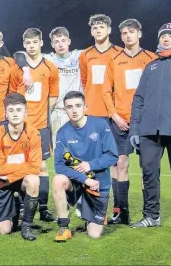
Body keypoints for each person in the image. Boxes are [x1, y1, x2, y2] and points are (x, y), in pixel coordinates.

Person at [129, 23, 171, 230]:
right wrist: (135, 129)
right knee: (149, 173)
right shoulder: (151, 66)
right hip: (149, 131)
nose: (165, 39)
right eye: (162, 35)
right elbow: (138, 99)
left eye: (170, 36)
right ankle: (151, 216)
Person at [101, 19, 157, 224]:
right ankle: (121, 212)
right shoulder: (114, 59)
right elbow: (106, 91)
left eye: (131, 32)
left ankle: (149, 213)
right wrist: (114, 115)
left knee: (147, 167)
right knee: (120, 163)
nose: (127, 36)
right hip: (121, 121)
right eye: (124, 33)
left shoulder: (152, 59)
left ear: (139, 33)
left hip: (145, 122)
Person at [52, 91, 118, 241]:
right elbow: (59, 166)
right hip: (78, 182)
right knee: (58, 180)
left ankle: (87, 213)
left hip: (97, 184)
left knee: (94, 234)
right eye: (69, 107)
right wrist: (84, 179)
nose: (74, 110)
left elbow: (112, 156)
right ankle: (64, 227)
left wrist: (90, 165)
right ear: (64, 110)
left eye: (78, 105)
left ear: (85, 107)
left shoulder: (100, 125)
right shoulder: (62, 132)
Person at [78, 14, 123, 215]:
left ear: (109, 30)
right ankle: (89, 205)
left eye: (102, 26)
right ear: (91, 31)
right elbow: (85, 81)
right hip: (93, 113)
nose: (98, 30)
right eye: (95, 27)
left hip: (115, 115)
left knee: (117, 162)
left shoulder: (120, 54)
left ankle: (119, 208)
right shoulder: (86, 54)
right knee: (90, 163)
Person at [13, 26, 83, 147]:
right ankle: (65, 165)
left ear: (69, 41)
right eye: (56, 41)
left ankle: (80, 166)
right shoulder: (48, 59)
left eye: (63, 40)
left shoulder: (80, 56)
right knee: (61, 152)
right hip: (59, 111)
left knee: (79, 149)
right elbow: (19, 54)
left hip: (78, 110)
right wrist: (26, 70)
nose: (60, 44)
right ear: (51, 44)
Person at [17, 28, 59, 222]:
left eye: (35, 42)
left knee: (42, 166)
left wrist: (40, 113)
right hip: (19, 127)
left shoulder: (50, 68)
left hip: (41, 126)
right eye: (28, 43)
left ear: (41, 43)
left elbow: (53, 97)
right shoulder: (18, 66)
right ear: (24, 45)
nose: (31, 46)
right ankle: (19, 204)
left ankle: (43, 208)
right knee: (19, 165)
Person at [0, 93, 41, 240]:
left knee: (33, 180)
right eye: (11, 110)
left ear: (26, 113)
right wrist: (25, 166)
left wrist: (11, 175)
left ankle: (26, 227)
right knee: (5, 230)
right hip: (1, 182)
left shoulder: (34, 134)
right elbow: (0, 169)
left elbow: (35, 168)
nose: (15, 114)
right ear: (5, 114)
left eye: (19, 110)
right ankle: (14, 207)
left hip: (16, 179)